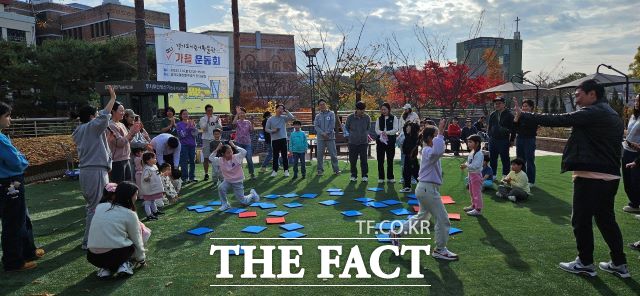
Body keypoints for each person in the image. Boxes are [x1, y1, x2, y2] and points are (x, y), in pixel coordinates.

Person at [514, 79, 629, 278]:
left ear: (592, 94)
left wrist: (525, 114)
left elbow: (559, 119)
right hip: (609, 175)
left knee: (581, 219)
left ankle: (585, 263)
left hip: (591, 175)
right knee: (605, 220)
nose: (576, 98)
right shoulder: (611, 114)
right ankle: (619, 263)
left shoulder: (593, 112)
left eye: (578, 94)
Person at [390, 119, 458, 261]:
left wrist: (438, 134)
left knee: (422, 218)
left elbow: (439, 151)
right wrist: (440, 133)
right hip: (427, 189)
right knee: (443, 220)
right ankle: (440, 249)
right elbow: (438, 151)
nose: (439, 138)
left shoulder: (427, 150)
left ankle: (397, 234)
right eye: (434, 136)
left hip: (426, 189)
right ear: (429, 138)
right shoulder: (428, 150)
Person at [0, 102, 44, 272]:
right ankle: (14, 261)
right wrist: (22, 158)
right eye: (7, 116)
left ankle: (28, 251)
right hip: (10, 183)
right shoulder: (1, 139)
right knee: (14, 222)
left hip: (7, 183)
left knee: (22, 218)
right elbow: (18, 162)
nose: (10, 119)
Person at [73, 85, 117, 250]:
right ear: (92, 116)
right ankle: (88, 242)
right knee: (95, 207)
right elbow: (104, 116)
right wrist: (112, 98)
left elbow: (101, 119)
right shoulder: (90, 127)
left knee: (94, 206)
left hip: (88, 171)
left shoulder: (81, 129)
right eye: (96, 114)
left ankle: (91, 239)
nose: (99, 116)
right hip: (94, 171)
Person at [87, 181, 146, 278]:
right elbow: (137, 239)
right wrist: (141, 258)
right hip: (116, 255)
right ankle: (123, 265)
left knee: (112, 240)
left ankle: (106, 268)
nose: (136, 197)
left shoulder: (100, 207)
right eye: (136, 195)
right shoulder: (130, 214)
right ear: (129, 196)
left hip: (92, 256)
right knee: (141, 232)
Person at [209, 140, 260, 211]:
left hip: (237, 181)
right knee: (221, 187)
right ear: (223, 154)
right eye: (228, 153)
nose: (230, 154)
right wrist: (217, 148)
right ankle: (225, 204)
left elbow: (244, 152)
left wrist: (234, 146)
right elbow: (210, 158)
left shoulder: (236, 157)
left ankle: (253, 194)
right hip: (227, 181)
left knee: (243, 202)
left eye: (231, 151)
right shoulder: (220, 160)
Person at [108, 102, 140, 183]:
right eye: (121, 111)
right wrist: (131, 133)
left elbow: (127, 141)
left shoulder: (121, 124)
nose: (123, 113)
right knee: (119, 186)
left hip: (126, 158)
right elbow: (119, 143)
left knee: (128, 184)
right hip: (117, 161)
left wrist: (133, 133)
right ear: (113, 111)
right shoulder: (111, 125)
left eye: (123, 111)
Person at [488, 97, 515, 177]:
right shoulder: (493, 114)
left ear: (504, 104)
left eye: (499, 103)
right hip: (493, 140)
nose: (497, 105)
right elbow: (489, 127)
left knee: (505, 158)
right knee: (492, 158)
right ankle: (493, 175)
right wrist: (490, 136)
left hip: (503, 140)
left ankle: (505, 175)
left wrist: (512, 140)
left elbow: (513, 129)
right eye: (496, 104)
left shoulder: (509, 115)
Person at [265, 104, 295, 177]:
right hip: (274, 140)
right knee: (275, 156)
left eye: (282, 109)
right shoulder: (270, 119)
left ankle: (286, 170)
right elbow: (266, 129)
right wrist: (273, 131)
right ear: (276, 109)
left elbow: (292, 118)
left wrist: (287, 111)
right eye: (279, 108)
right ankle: (275, 171)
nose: (280, 110)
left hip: (283, 139)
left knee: (284, 155)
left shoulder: (284, 118)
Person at [622, 95, 640, 214]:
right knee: (627, 180)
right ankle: (634, 203)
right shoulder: (633, 116)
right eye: (636, 100)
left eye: (639, 100)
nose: (637, 102)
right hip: (627, 150)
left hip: (638, 153)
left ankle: (636, 203)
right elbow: (630, 132)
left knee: (636, 181)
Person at [345, 101, 371, 182]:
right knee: (353, 160)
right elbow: (346, 128)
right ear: (356, 109)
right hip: (352, 142)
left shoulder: (367, 117)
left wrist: (364, 135)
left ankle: (364, 175)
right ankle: (353, 175)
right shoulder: (350, 117)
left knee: (364, 160)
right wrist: (351, 135)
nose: (362, 111)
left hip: (363, 142)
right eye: (361, 110)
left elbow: (368, 128)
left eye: (363, 109)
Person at [515, 99, 538, 187]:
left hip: (529, 139)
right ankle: (521, 178)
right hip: (520, 138)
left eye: (526, 106)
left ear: (531, 107)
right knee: (520, 160)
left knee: (530, 159)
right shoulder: (520, 116)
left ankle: (531, 181)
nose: (524, 108)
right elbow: (514, 126)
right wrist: (516, 117)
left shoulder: (534, 116)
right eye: (523, 106)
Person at [375, 102, 399, 184]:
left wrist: (387, 133)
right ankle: (381, 177)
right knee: (380, 160)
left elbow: (396, 129)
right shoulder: (379, 119)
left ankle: (390, 177)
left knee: (390, 160)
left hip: (390, 142)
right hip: (380, 142)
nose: (383, 111)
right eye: (382, 109)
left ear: (389, 109)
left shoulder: (394, 118)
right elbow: (376, 130)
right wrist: (382, 133)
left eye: (385, 109)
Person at [314, 99, 340, 176]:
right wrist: (322, 133)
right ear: (318, 106)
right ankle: (320, 170)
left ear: (326, 104)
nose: (322, 106)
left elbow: (332, 124)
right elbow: (316, 126)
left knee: (333, 154)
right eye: (320, 104)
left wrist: (327, 133)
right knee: (319, 155)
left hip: (330, 137)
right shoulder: (317, 116)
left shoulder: (331, 113)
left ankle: (336, 170)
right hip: (320, 138)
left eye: (323, 104)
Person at [460, 135, 484, 216]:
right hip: (471, 174)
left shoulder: (479, 154)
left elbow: (476, 165)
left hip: (476, 175)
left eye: (470, 142)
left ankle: (478, 209)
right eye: (468, 142)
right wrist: (465, 164)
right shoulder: (472, 152)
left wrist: (466, 166)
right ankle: (474, 205)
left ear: (477, 143)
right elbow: (469, 162)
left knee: (476, 192)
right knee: (472, 192)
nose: (468, 144)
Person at [199, 104, 222, 182]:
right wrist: (208, 120)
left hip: (216, 140)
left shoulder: (216, 118)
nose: (210, 112)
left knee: (218, 157)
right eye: (208, 110)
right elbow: (203, 129)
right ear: (205, 111)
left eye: (211, 110)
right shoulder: (202, 119)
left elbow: (220, 128)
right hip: (206, 139)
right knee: (206, 157)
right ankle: (206, 174)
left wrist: (217, 122)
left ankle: (220, 173)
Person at [232, 106, 256, 179]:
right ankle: (239, 175)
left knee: (249, 158)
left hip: (247, 143)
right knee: (239, 160)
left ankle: (252, 174)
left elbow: (252, 130)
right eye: (240, 113)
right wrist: (237, 114)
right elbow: (233, 123)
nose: (242, 114)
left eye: (243, 113)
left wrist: (252, 122)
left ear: (245, 114)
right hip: (238, 143)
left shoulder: (248, 122)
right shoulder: (237, 121)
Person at [398, 104, 420, 183]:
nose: (405, 110)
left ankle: (413, 177)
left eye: (406, 109)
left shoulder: (414, 115)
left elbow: (417, 125)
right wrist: (400, 136)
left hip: (412, 140)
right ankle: (403, 177)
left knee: (412, 159)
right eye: (404, 109)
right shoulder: (402, 116)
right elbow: (400, 127)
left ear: (410, 109)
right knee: (403, 159)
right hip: (404, 139)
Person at [139, 152, 164, 221]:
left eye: (155, 158)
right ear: (147, 160)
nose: (155, 159)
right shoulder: (147, 169)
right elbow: (145, 178)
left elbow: (156, 174)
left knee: (153, 201)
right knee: (148, 202)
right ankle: (149, 215)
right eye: (153, 158)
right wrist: (148, 178)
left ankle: (155, 211)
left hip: (152, 189)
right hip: (149, 189)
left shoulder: (154, 166)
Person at [176, 109, 198, 184]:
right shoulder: (179, 124)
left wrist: (194, 128)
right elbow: (182, 135)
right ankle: (184, 178)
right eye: (184, 114)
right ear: (181, 115)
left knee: (192, 161)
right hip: (184, 145)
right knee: (184, 162)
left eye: (187, 114)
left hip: (192, 145)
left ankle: (192, 177)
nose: (185, 115)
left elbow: (195, 134)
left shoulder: (192, 123)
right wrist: (188, 127)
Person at [400, 121, 420, 193]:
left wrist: (413, 123)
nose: (407, 129)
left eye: (409, 127)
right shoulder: (408, 135)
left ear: (412, 129)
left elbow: (417, 128)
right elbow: (404, 128)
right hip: (407, 157)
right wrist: (408, 123)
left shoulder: (414, 137)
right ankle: (407, 187)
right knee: (406, 172)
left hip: (412, 158)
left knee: (416, 173)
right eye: (407, 127)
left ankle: (424, 186)